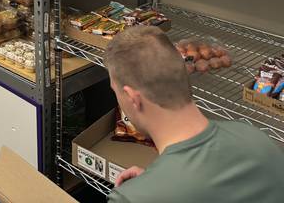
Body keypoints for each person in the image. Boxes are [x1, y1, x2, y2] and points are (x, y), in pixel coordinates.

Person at [104, 25, 283, 203]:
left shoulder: (131, 198)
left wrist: (144, 190)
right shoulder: (258, 139)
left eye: (115, 91)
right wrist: (153, 183)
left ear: (132, 97)